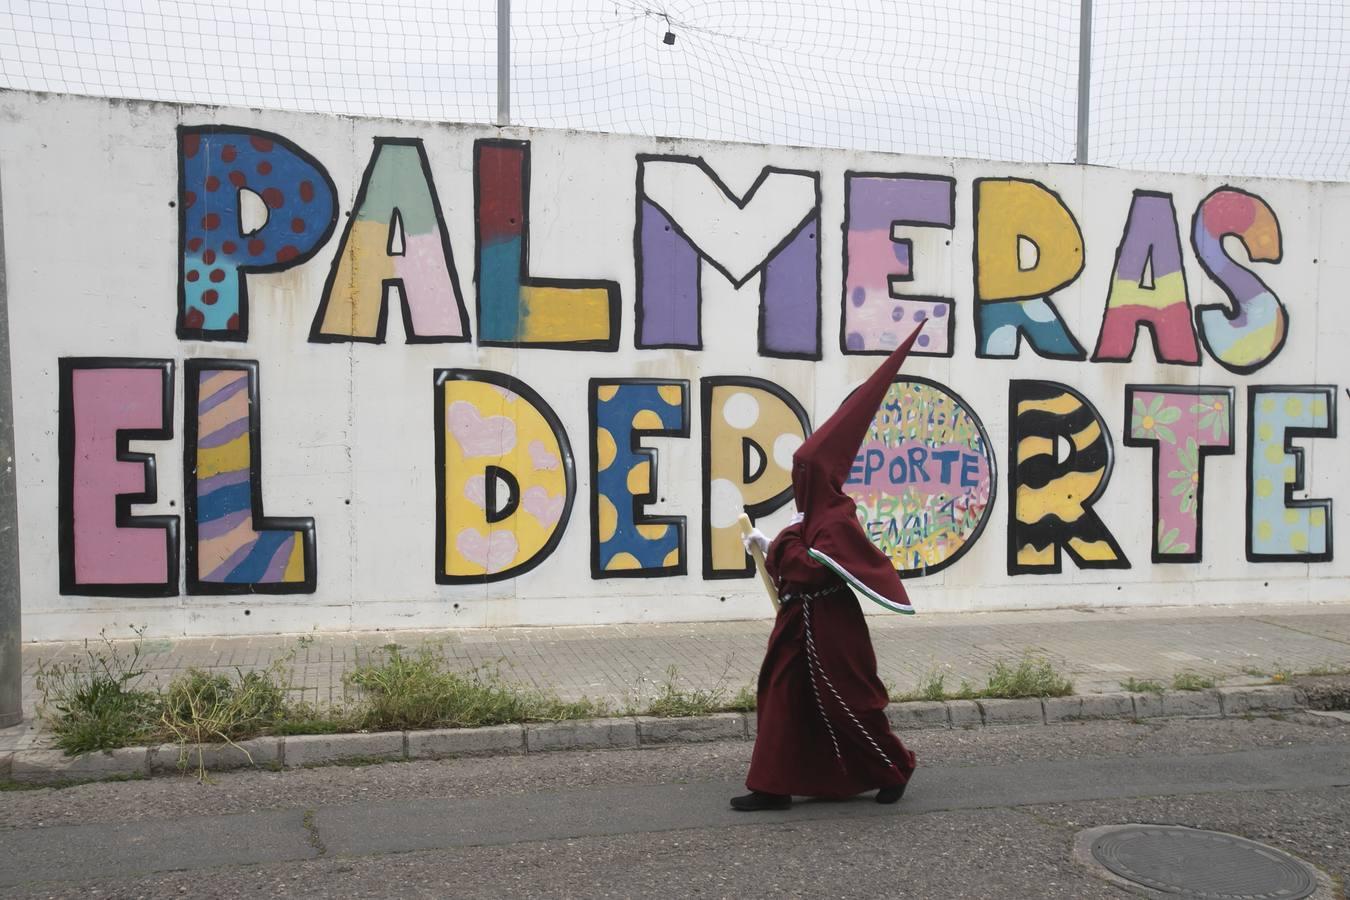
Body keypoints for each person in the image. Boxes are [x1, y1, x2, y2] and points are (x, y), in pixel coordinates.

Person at [731, 327, 923, 812]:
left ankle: (893, 767)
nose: (798, 480)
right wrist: (779, 542)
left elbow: (815, 568)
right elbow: (801, 556)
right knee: (781, 699)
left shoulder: (836, 515)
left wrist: (775, 545)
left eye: (803, 473)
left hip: (831, 628)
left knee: (850, 702)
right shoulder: (811, 515)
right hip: (798, 624)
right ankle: (772, 785)